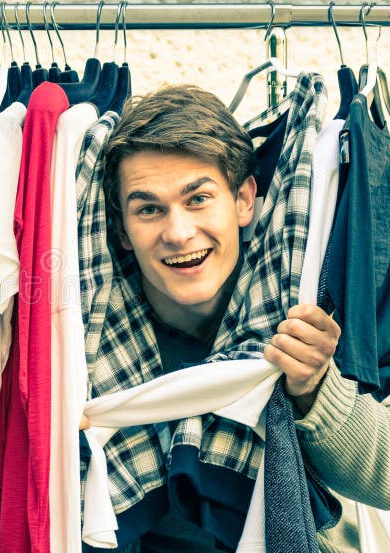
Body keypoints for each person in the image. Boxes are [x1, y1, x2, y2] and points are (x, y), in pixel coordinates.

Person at [94, 85, 342, 552]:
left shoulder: (309, 297)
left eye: (198, 199)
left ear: (245, 200)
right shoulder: (89, 344)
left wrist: (315, 392)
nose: (178, 232)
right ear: (122, 230)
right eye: (149, 209)